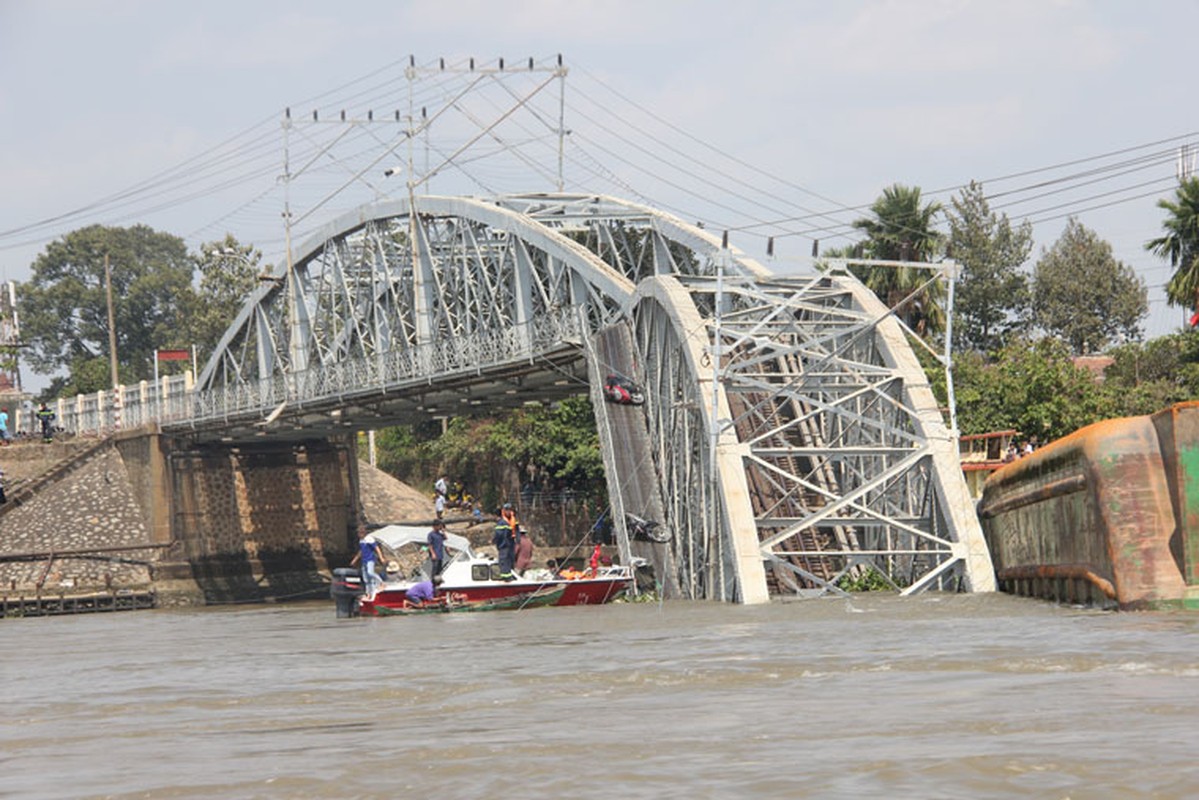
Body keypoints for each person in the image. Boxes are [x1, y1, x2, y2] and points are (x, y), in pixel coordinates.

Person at [349, 525, 385, 600]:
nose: (358, 535)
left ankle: (381, 583)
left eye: (359, 533)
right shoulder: (361, 540)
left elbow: (376, 548)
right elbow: (361, 551)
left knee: (370, 573)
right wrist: (355, 560)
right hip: (364, 560)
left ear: (362, 533)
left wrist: (381, 557)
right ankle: (369, 594)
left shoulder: (369, 539)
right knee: (366, 579)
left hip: (370, 560)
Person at [493, 507, 517, 579]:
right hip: (509, 545)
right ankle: (508, 576)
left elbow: (499, 535)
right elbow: (508, 533)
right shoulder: (506, 522)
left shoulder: (500, 524)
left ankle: (506, 578)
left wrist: (495, 541)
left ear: (495, 515)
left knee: (503, 562)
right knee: (508, 562)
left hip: (503, 546)